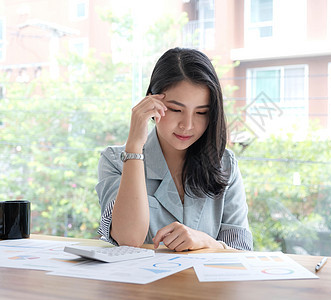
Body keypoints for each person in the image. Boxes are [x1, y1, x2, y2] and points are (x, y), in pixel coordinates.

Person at [96, 47, 253, 251]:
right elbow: (128, 238)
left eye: (201, 112)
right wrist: (134, 146)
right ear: (151, 101)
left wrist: (207, 243)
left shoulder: (224, 164)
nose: (187, 125)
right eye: (176, 110)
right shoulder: (115, 160)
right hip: (140, 282)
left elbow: (242, 253)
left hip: (203, 283)